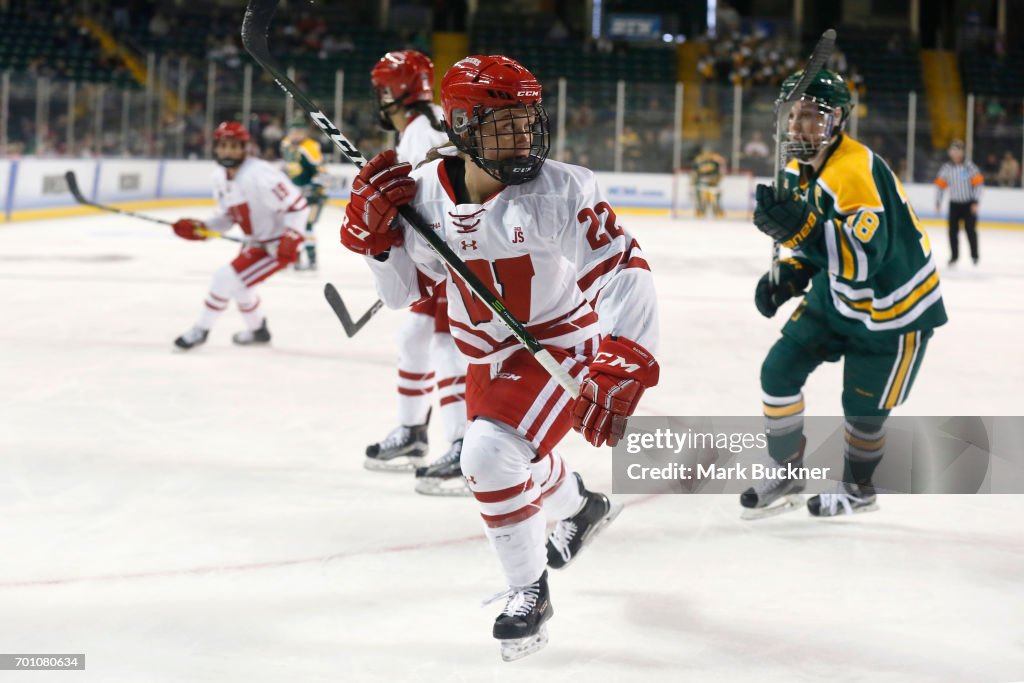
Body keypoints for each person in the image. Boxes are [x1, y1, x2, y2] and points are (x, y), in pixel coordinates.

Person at [340, 55, 659, 659]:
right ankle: (583, 507)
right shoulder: (424, 193)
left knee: (488, 453)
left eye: (525, 120)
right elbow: (404, 292)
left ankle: (527, 591)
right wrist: (378, 243)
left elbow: (622, 268)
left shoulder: (562, 189)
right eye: (499, 123)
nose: (520, 136)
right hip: (487, 357)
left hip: (558, 346)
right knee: (512, 457)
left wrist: (626, 355)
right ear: (460, 126)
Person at [743, 69, 947, 519]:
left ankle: (859, 489)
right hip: (836, 298)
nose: (798, 126)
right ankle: (785, 468)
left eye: (812, 116)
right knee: (778, 371)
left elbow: (862, 262)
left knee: (862, 409)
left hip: (894, 313)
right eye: (793, 115)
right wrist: (791, 274)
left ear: (838, 120)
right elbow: (820, 251)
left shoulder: (854, 173)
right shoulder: (796, 170)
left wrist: (804, 231)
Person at [362, 49, 469, 497]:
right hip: (438, 252)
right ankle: (412, 433)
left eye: (384, 90)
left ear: (398, 90)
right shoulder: (432, 121)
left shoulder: (420, 131)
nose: (381, 99)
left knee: (447, 346)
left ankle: (466, 449)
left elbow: (425, 201)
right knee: (414, 338)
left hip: (447, 256)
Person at [172, 121, 308, 350]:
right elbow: (228, 217)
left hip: (278, 248)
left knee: (224, 279)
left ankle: (201, 330)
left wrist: (291, 238)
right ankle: (258, 331)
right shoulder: (219, 177)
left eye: (235, 146)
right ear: (216, 147)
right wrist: (203, 228)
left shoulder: (260, 174)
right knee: (241, 287)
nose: (229, 151)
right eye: (224, 145)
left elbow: (298, 207)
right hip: (255, 244)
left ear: (245, 147)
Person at [280, 117, 326, 270]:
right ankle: (295, 259)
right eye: (294, 131)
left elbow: (321, 172)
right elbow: (288, 168)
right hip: (294, 196)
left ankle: (312, 260)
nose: (297, 135)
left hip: (311, 196)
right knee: (292, 227)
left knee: (307, 226)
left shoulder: (310, 147)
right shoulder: (285, 144)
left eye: (300, 131)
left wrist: (314, 187)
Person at [934, 140, 983, 266]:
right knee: (952, 231)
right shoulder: (946, 168)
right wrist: (938, 203)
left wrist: (975, 202)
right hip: (954, 204)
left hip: (968, 204)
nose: (955, 153)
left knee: (970, 230)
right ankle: (954, 257)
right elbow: (940, 186)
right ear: (950, 152)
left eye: (958, 151)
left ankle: (974, 256)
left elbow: (978, 185)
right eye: (953, 151)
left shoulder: (969, 167)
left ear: (962, 152)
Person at [691, 146, 727, 218]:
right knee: (698, 194)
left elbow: (720, 174)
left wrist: (717, 180)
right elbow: (695, 173)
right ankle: (701, 210)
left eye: (708, 153)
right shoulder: (698, 161)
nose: (706, 154)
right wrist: (694, 181)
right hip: (701, 183)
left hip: (713, 183)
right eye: (705, 153)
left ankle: (717, 209)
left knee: (717, 195)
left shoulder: (715, 162)